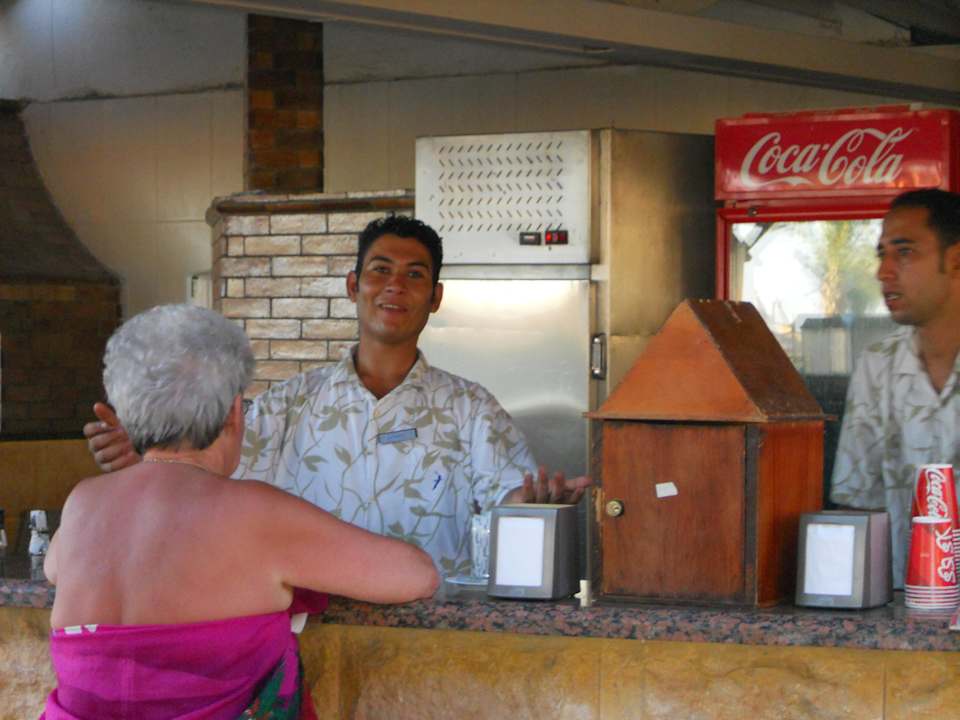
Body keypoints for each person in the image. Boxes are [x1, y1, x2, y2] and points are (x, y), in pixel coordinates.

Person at [84, 217, 591, 577]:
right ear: (353, 286)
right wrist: (152, 455)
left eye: (415, 275)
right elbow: (204, 476)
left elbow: (508, 500)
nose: (395, 286)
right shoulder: (287, 405)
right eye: (380, 270)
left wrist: (534, 504)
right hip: (310, 631)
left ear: (435, 297)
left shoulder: (472, 410)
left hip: (433, 639)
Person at [44, 304, 439, 719]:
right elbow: (416, 575)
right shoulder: (256, 514)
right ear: (235, 413)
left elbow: (55, 569)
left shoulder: (83, 502)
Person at [830, 188, 960, 587]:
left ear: (955, 259)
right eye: (881, 254)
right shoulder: (877, 365)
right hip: (904, 607)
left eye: (904, 252)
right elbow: (858, 506)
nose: (884, 272)